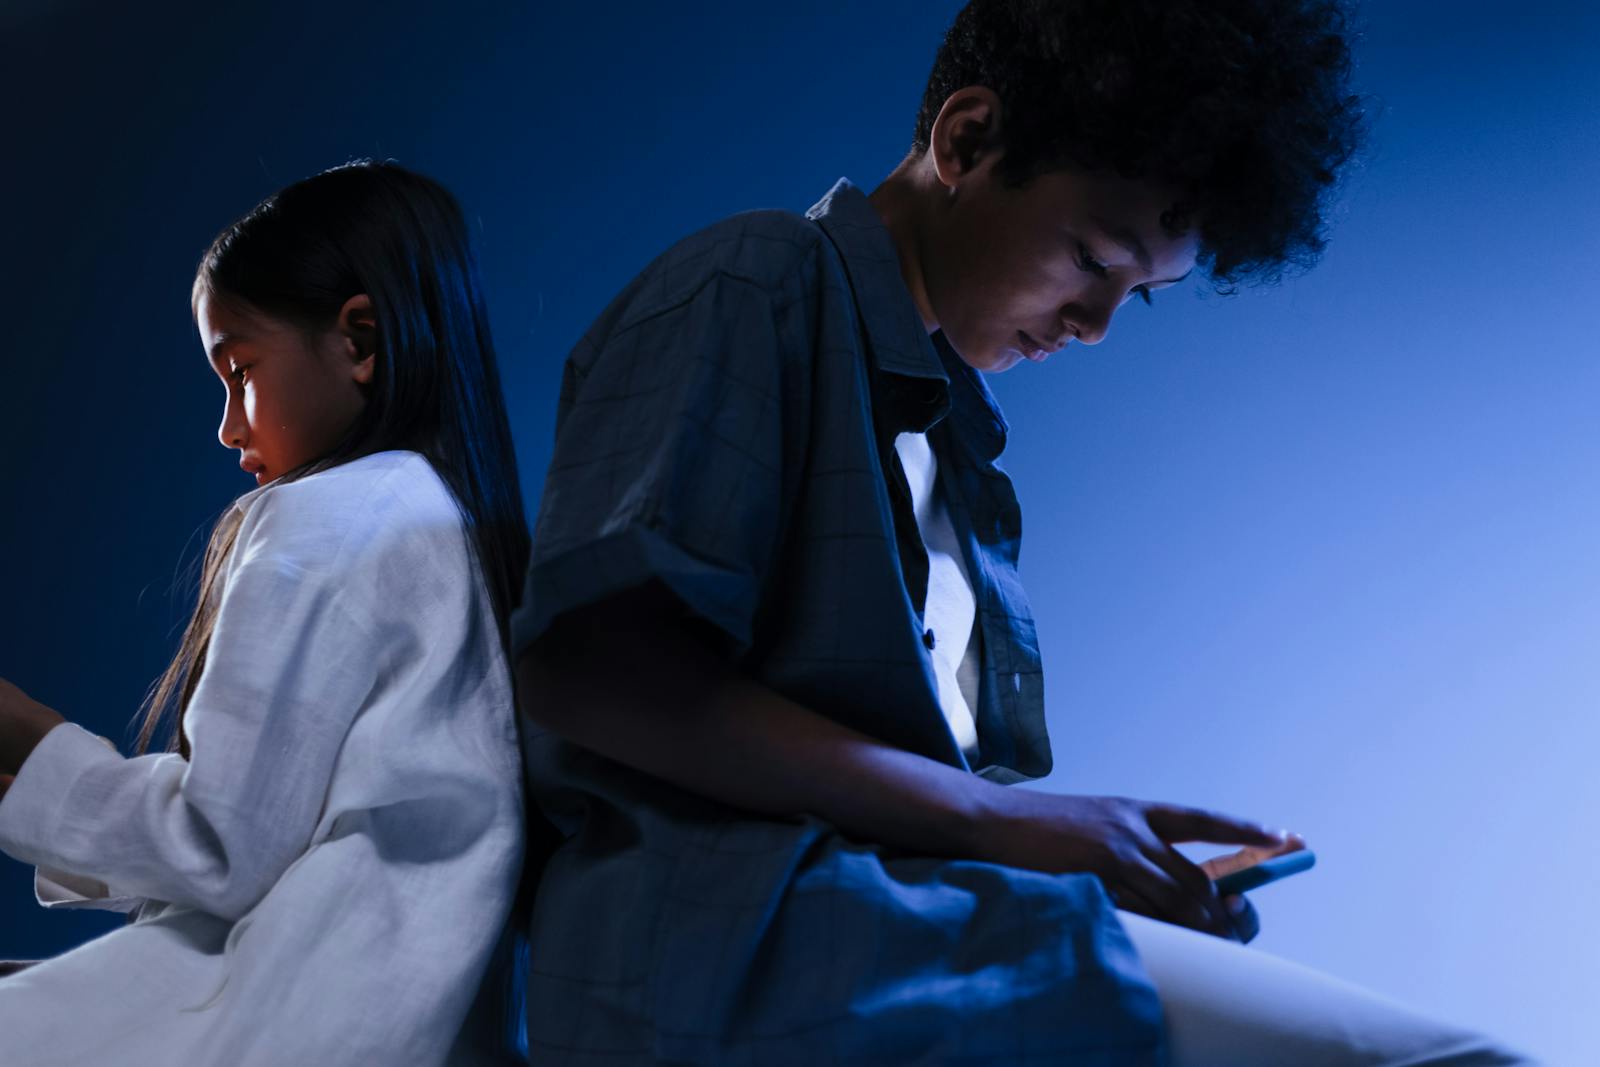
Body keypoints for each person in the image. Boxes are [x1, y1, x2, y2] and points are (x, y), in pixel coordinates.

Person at [511, 2, 1534, 1063]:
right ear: (963, 140)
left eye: (1136, 297)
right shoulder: (755, 280)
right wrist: (1002, 825)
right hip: (736, 956)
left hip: (896, 936)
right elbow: (591, 669)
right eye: (1093, 258)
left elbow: (910, 792)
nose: (1093, 324)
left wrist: (1085, 861)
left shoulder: (949, 438)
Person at [0, 160, 530, 1065]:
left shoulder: (328, 513)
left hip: (286, 1018)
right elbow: (271, 835)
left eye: (239, 367)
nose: (227, 426)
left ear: (360, 339)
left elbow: (222, 842)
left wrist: (20, 730)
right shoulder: (442, 522)